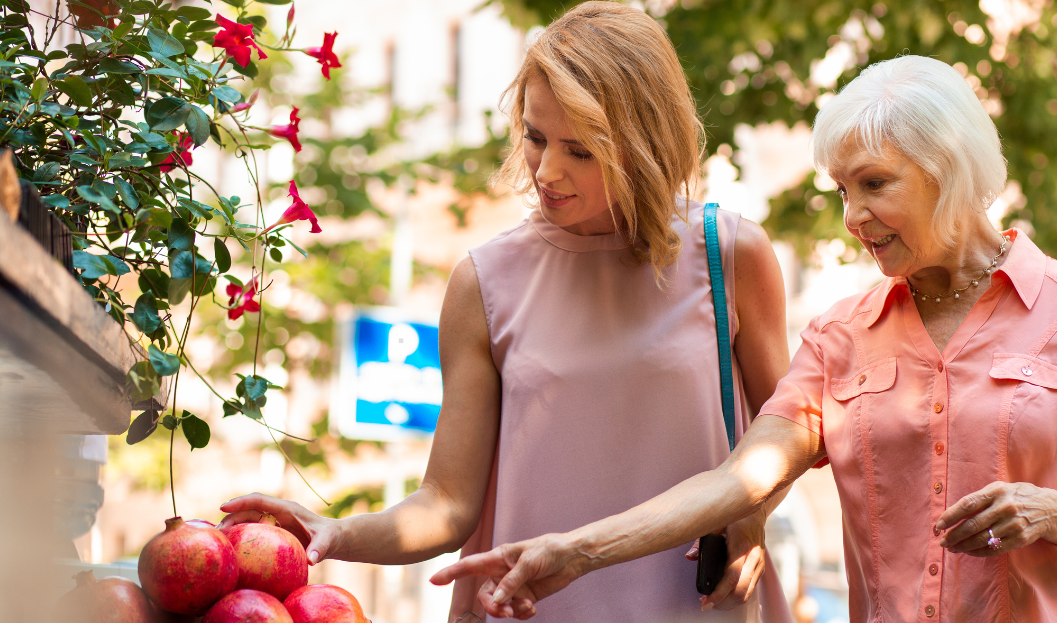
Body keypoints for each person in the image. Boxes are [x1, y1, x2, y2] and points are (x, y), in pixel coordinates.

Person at [431, 55, 1057, 622]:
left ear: (947, 171)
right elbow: (739, 479)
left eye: (875, 184)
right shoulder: (841, 337)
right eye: (841, 190)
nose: (852, 215)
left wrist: (1053, 512)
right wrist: (577, 551)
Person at [219, 3, 795, 621]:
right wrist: (338, 534)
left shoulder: (731, 256)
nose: (547, 171)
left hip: (694, 603)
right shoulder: (484, 281)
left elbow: (789, 436)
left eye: (580, 150)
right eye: (535, 136)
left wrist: (751, 515)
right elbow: (446, 503)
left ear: (644, 143)